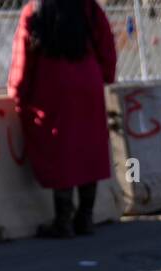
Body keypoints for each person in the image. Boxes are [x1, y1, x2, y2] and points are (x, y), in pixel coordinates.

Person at [8, 0, 117, 238]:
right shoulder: (88, 7)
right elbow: (106, 44)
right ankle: (86, 217)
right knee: (90, 146)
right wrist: (106, 74)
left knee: (60, 148)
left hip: (51, 83)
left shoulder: (35, 9)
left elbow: (23, 54)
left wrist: (17, 90)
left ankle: (63, 220)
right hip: (87, 80)